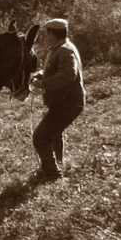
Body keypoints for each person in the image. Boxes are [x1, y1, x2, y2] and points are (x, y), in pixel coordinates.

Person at [30, 18, 85, 181]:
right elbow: (54, 70)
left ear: (53, 34)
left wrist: (43, 83)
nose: (45, 37)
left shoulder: (65, 51)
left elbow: (69, 74)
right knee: (53, 134)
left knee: (40, 138)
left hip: (68, 104)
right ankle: (57, 164)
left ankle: (52, 173)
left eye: (47, 33)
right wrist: (39, 75)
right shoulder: (58, 48)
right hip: (62, 103)